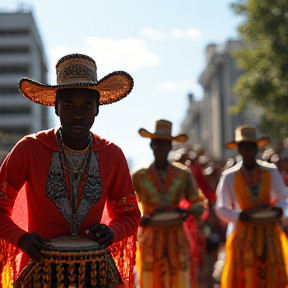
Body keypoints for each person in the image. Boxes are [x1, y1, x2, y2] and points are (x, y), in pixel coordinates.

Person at [0, 53, 141, 288]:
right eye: (68, 106)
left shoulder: (112, 154)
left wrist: (112, 232)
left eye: (86, 106)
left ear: (97, 109)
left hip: (95, 274)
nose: (78, 114)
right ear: (56, 108)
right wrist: (22, 239)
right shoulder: (29, 148)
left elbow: (130, 215)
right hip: (39, 271)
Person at [131, 119, 205, 288]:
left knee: (179, 278)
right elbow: (129, 205)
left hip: (177, 236)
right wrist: (142, 218)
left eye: (165, 144)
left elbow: (199, 202)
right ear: (151, 145)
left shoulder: (183, 174)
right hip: (150, 237)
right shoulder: (139, 176)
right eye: (157, 143)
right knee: (150, 279)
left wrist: (186, 212)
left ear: (170, 147)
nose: (161, 148)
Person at [214, 124, 288, 288]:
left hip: (269, 234)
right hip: (242, 235)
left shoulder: (270, 171)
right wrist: (239, 216)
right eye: (245, 148)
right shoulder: (229, 176)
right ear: (239, 150)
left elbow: (283, 198)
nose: (248, 151)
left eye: (251, 147)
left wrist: (278, 211)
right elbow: (221, 208)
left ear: (256, 149)